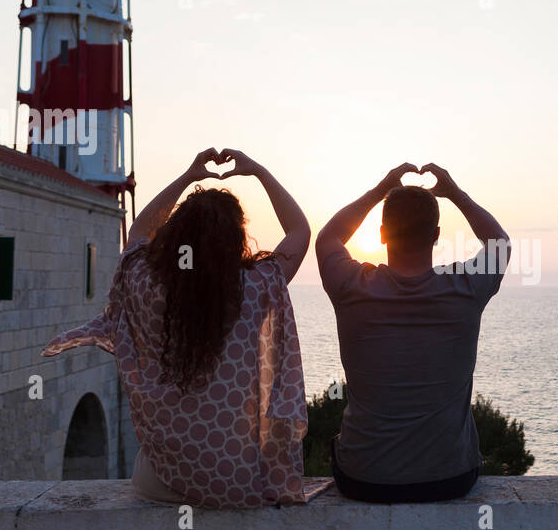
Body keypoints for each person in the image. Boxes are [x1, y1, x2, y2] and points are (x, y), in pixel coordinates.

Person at [42, 148, 320, 508]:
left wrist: (189, 176)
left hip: (165, 481)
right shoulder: (257, 286)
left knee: (145, 464)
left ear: (174, 236)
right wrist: (259, 172)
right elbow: (300, 231)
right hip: (238, 480)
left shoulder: (143, 282)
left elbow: (140, 230)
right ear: (236, 240)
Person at [315, 162, 509, 503]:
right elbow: (499, 242)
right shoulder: (465, 287)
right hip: (451, 479)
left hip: (363, 479)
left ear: (382, 235)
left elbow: (328, 238)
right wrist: (455, 193)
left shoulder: (351, 286)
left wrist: (379, 191)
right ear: (436, 235)